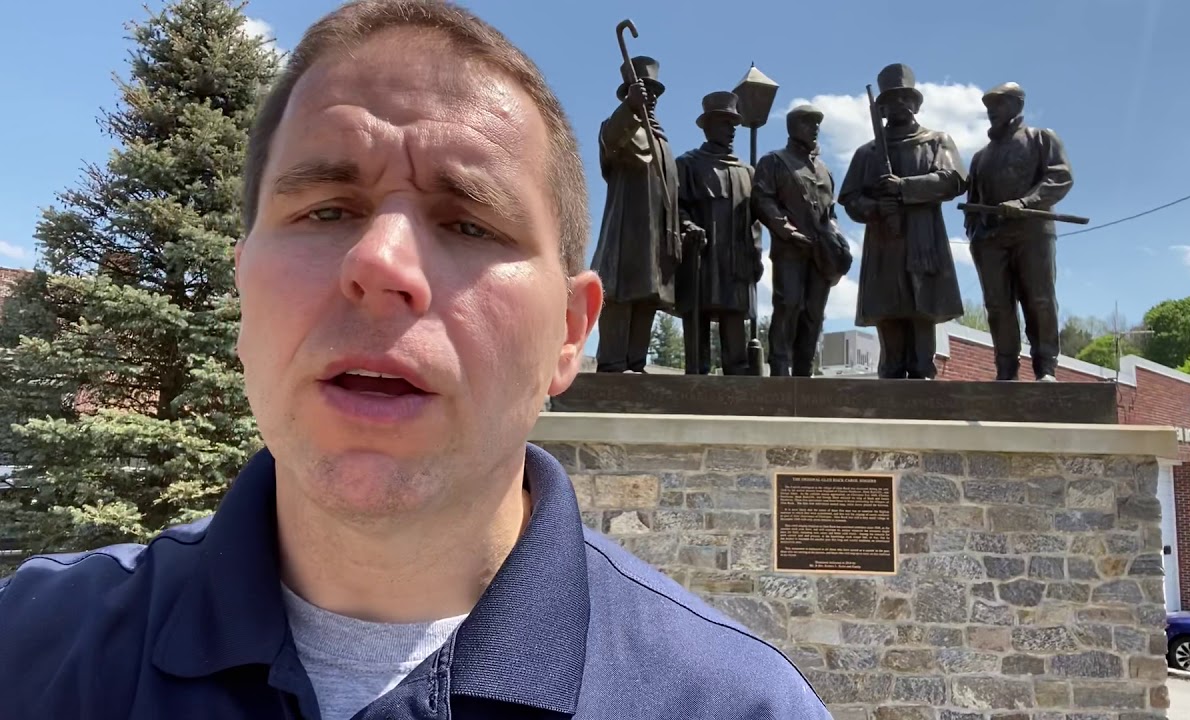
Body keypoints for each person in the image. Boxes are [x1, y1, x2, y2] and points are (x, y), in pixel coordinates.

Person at [0, 2, 831, 719]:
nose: (381, 264)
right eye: (326, 208)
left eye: (470, 224)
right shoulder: (34, 649)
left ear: (569, 334)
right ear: (243, 288)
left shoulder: (737, 703)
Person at [839, 63, 966, 379]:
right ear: (880, 108)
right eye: (891, 99)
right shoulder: (867, 153)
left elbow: (952, 180)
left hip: (923, 238)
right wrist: (876, 207)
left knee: (922, 305)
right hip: (884, 242)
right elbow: (850, 199)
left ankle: (923, 370)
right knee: (888, 305)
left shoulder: (937, 141)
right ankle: (891, 372)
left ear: (915, 103)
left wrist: (904, 187)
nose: (898, 105)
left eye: (904, 98)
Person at [963, 81, 1074, 382]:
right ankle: (1006, 369)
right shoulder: (980, 157)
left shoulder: (1040, 139)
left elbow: (1060, 177)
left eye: (998, 104)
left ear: (1017, 105)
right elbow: (972, 205)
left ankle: (1046, 367)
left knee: (1039, 299)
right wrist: (976, 236)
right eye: (988, 107)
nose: (992, 112)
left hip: (1032, 232)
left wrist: (1025, 202)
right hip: (990, 240)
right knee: (998, 306)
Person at [591, 55, 681, 374]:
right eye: (645, 90)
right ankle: (613, 364)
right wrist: (629, 108)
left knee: (647, 296)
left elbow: (672, 196)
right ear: (628, 91)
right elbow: (610, 142)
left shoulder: (664, 142)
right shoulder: (618, 127)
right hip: (625, 231)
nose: (651, 96)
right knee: (620, 293)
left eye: (655, 91)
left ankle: (636, 364)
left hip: (657, 237)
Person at [753, 105, 851, 377]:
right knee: (788, 305)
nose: (815, 128)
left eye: (817, 124)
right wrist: (785, 229)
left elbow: (831, 211)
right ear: (793, 128)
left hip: (820, 254)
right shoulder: (774, 161)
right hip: (790, 251)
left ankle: (804, 371)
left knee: (814, 314)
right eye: (809, 123)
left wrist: (835, 237)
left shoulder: (824, 170)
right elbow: (762, 199)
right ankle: (781, 369)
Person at [674, 90, 762, 375]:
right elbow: (675, 206)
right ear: (708, 125)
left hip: (736, 261)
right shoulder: (687, 165)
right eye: (725, 123)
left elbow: (755, 220)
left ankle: (736, 375)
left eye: (734, 124)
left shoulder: (747, 172)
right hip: (701, 258)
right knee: (696, 318)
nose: (731, 130)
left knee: (734, 319)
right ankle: (696, 373)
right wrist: (688, 226)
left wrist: (755, 255)